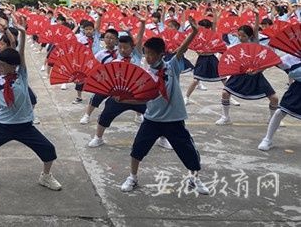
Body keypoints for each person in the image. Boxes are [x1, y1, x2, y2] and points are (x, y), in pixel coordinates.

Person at [119, 17, 210, 194]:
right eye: (146, 53)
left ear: (162, 54)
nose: (148, 57)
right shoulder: (144, 74)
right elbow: (142, 99)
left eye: (152, 54)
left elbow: (181, 50)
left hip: (174, 120)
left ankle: (194, 179)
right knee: (137, 150)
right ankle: (133, 177)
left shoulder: (171, 66)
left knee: (188, 152)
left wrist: (193, 32)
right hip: (152, 119)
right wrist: (124, 100)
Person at [0, 14, 61, 191]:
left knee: (49, 150)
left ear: (13, 66)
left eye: (3, 64)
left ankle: (46, 176)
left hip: (25, 125)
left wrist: (22, 33)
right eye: (0, 64)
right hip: (3, 125)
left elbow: (20, 53)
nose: (0, 67)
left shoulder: (22, 76)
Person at [216, 11, 278, 126]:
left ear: (250, 36)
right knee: (225, 93)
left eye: (243, 36)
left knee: (274, 98)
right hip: (240, 74)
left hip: (256, 75)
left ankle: (272, 119)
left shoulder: (254, 42)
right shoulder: (236, 46)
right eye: (239, 35)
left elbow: (255, 29)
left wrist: (257, 16)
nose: (240, 38)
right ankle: (225, 117)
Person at [258, 54, 301, 151]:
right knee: (280, 111)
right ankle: (267, 139)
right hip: (297, 89)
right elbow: (276, 61)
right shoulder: (294, 56)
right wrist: (257, 70)